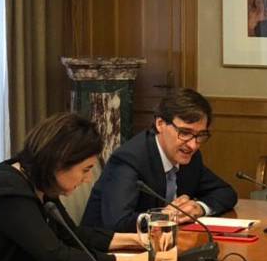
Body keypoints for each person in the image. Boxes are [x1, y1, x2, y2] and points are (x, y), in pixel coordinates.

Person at [0, 113, 152, 261]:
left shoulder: (41, 185)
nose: (88, 179)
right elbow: (56, 256)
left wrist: (139, 240)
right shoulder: (7, 189)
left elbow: (74, 236)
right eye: (86, 169)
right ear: (59, 161)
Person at [82, 88, 238, 233]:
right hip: (107, 254)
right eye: (184, 132)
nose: (193, 145)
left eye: (200, 135)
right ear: (160, 124)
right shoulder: (130, 159)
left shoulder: (189, 156)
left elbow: (226, 193)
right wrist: (166, 217)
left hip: (162, 246)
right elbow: (118, 222)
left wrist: (199, 207)